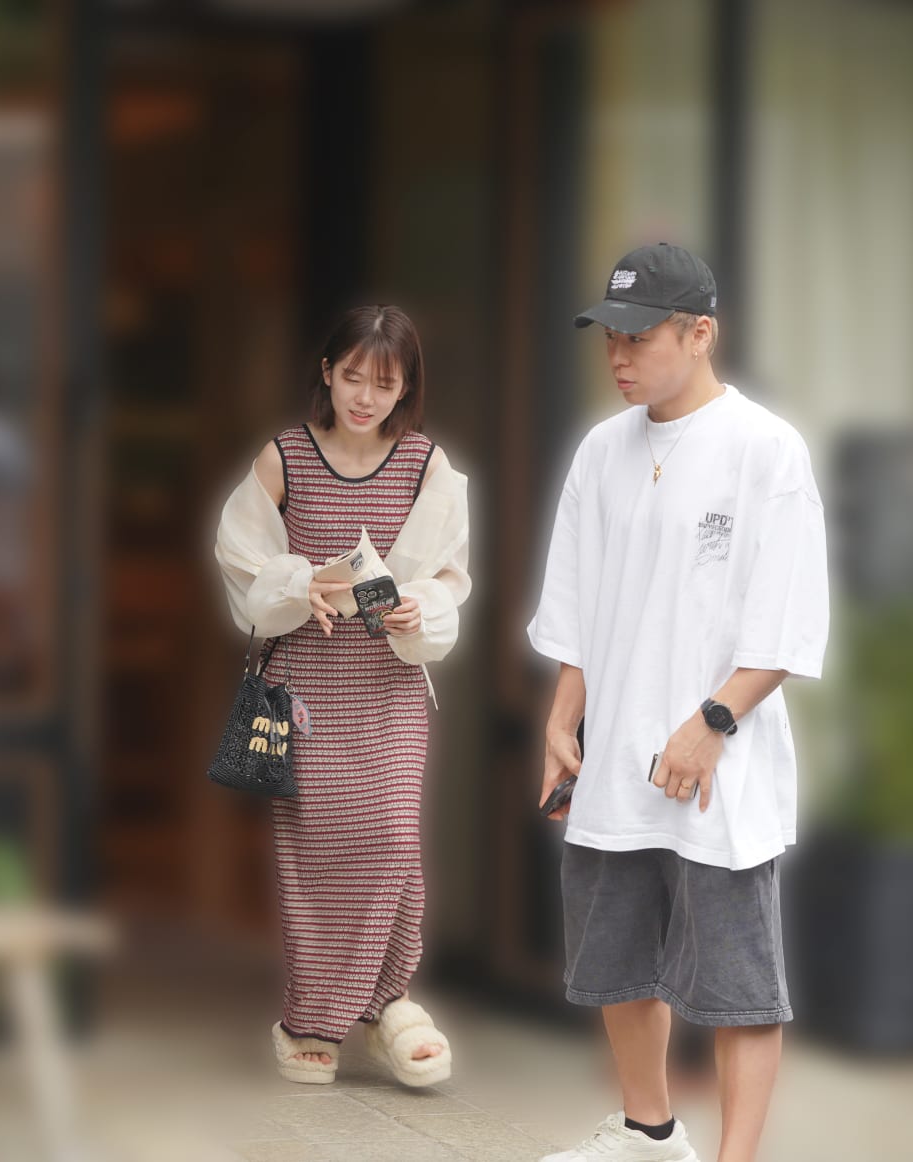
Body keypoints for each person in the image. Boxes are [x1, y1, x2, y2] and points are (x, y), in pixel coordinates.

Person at [528, 244, 829, 1162]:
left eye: (638, 336)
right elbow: (577, 602)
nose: (618, 356)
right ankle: (649, 1137)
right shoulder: (601, 450)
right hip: (616, 755)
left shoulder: (765, 450)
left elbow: (786, 621)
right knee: (617, 961)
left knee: (739, 985)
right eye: (609, 337)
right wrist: (561, 720)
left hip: (717, 768)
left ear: (701, 333)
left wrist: (711, 724)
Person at [215, 304, 470, 1088]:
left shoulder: (427, 465)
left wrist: (419, 607)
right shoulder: (284, 457)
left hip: (389, 686)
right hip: (307, 686)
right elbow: (239, 560)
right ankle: (344, 1014)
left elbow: (449, 575)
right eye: (353, 376)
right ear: (326, 372)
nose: (365, 396)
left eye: (384, 384)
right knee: (314, 856)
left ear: (406, 388)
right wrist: (302, 584)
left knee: (393, 839)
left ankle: (365, 1006)